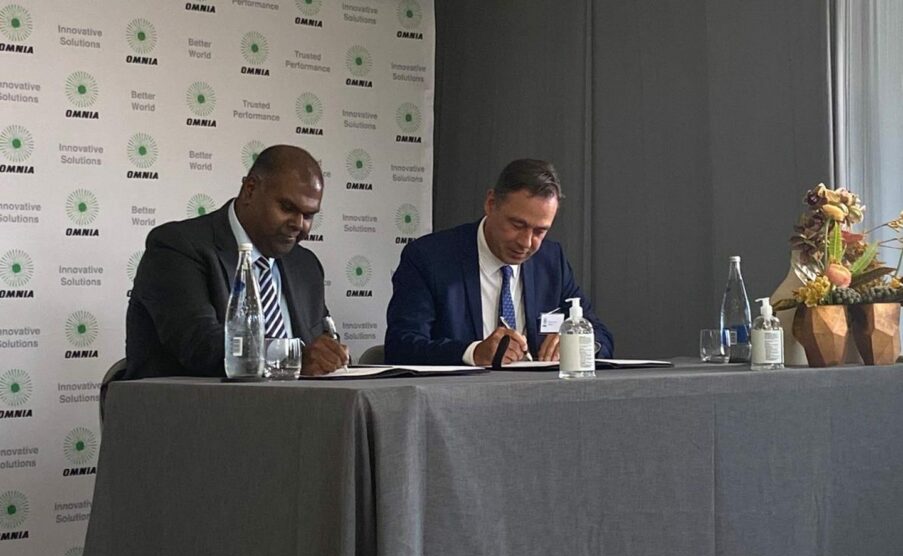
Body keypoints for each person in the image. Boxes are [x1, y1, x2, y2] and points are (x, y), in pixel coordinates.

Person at [125, 144, 349, 379]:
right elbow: (201, 347)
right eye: (287, 208)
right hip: (196, 409)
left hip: (297, 409)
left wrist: (331, 356)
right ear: (250, 190)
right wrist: (292, 358)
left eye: (309, 215)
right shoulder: (177, 247)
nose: (299, 224)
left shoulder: (305, 265)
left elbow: (321, 344)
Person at [385, 158, 613, 366]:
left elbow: (602, 337)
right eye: (517, 225)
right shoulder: (429, 258)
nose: (526, 242)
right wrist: (473, 353)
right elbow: (401, 346)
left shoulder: (551, 261)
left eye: (540, 231)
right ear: (491, 203)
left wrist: (580, 344)